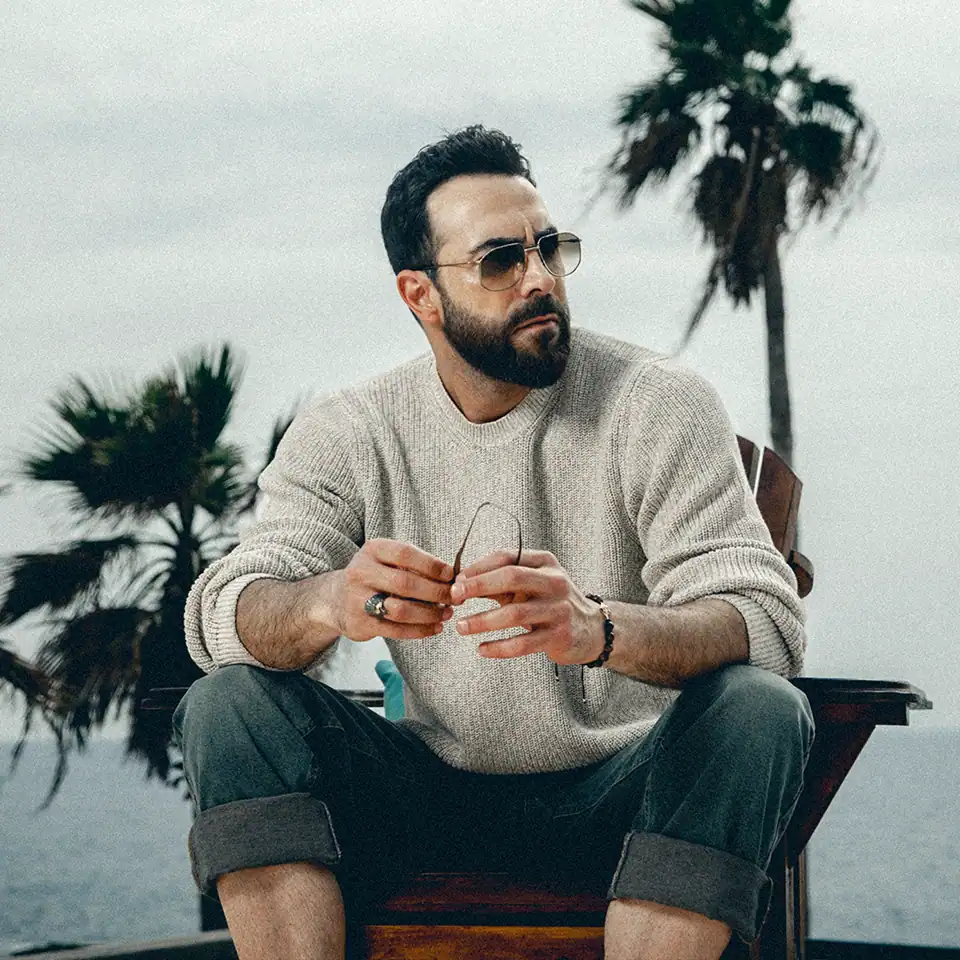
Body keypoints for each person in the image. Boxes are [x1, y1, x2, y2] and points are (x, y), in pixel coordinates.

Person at [173, 125, 813, 960]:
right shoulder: (350, 431)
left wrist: (602, 630)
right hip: (421, 796)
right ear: (420, 295)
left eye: (549, 248)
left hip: (627, 797)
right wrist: (330, 599)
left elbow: (765, 620)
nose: (540, 279)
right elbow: (223, 613)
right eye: (501, 260)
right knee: (228, 704)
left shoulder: (658, 404)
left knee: (761, 707)